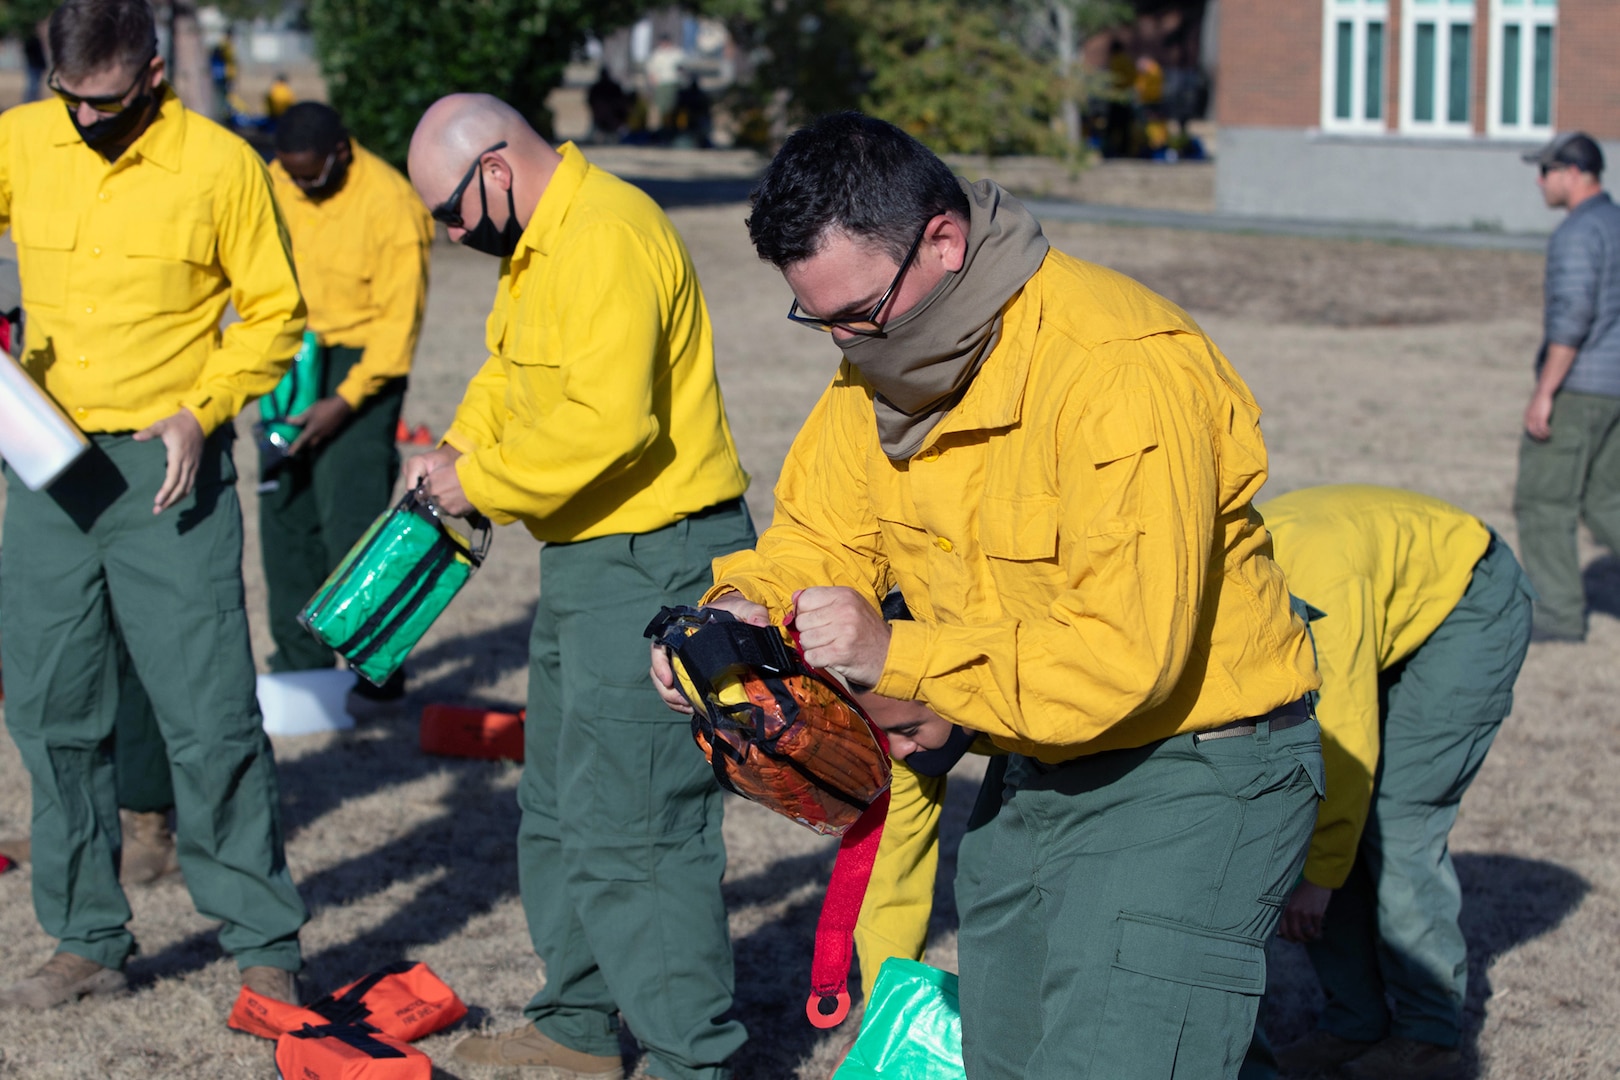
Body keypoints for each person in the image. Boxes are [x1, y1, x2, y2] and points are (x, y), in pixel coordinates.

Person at [652, 111, 1324, 1079]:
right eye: (820, 317)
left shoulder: (1119, 366)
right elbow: (821, 533)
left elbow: (1126, 658)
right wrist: (735, 615)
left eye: (859, 311)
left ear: (945, 240)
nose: (842, 340)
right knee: (1008, 1058)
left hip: (1193, 767)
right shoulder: (885, 361)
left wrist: (901, 660)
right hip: (1034, 752)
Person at [404, 93, 752, 1080]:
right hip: (588, 556)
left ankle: (695, 1061)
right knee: (559, 806)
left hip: (655, 558)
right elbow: (510, 372)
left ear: (498, 170)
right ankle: (579, 1025)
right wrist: (457, 447)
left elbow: (611, 427)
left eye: (453, 213)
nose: (452, 233)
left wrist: (478, 484)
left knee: (641, 829)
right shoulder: (538, 245)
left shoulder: (606, 236)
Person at [0, 0, 309, 1012]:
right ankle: (87, 936)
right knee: (52, 711)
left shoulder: (220, 166)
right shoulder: (19, 140)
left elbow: (274, 315)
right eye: (69, 101)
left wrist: (201, 410)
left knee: (210, 714)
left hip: (166, 470)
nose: (86, 121)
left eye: (107, 103)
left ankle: (262, 939)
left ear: (150, 76)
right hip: (46, 466)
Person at [1247, 486, 1534, 1080]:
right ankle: (1355, 1022)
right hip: (1379, 589)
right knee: (1304, 800)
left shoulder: (1314, 589)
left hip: (1468, 598)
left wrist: (1320, 877)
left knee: (1398, 815)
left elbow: (1346, 747)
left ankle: (1429, 1033)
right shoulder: (1232, 579)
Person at [264, 101, 432, 710]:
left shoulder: (391, 203)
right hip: (292, 357)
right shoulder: (275, 180)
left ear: (341, 151)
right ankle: (299, 665)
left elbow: (396, 329)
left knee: (352, 523)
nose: (300, 187)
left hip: (361, 371)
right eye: (291, 174)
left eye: (311, 175)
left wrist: (342, 402)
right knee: (284, 516)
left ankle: (376, 666)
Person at [1513, 131, 1620, 643]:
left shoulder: (1578, 234)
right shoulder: (1615, 223)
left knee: (1543, 499)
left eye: (1546, 170)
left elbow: (1574, 314)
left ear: (1573, 173)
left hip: (1581, 388)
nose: (1539, 180)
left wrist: (1546, 391)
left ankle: (1556, 613)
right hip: (1615, 387)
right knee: (1608, 502)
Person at [644, 34, 684, 132]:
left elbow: (682, 66)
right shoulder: (657, 54)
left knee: (671, 107)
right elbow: (650, 69)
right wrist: (652, 79)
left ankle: (670, 127)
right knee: (658, 107)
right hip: (660, 84)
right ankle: (656, 128)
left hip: (673, 84)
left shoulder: (677, 53)